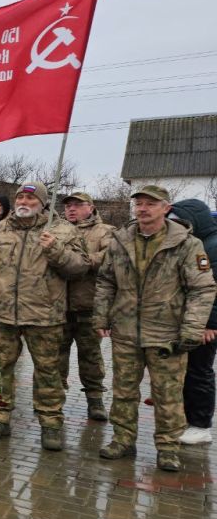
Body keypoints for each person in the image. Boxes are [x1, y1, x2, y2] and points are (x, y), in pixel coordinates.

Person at [95, 186, 217, 471]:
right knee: (123, 391)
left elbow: (202, 289)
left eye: (150, 204)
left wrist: (192, 327)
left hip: (167, 335)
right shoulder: (120, 240)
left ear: (166, 208)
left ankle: (167, 447)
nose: (142, 209)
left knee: (167, 395)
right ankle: (123, 439)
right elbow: (106, 281)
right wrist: (101, 317)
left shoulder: (187, 245)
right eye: (138, 203)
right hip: (126, 332)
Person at [0, 182, 90, 450]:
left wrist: (56, 250)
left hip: (44, 316)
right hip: (3, 315)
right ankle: (0, 417)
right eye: (20, 197)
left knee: (48, 372)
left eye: (31, 197)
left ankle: (51, 424)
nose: (24, 201)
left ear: (43, 202)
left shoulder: (61, 231)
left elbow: (80, 268)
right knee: (0, 369)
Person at [59, 192, 115, 420]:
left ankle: (95, 400)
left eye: (77, 205)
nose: (71, 209)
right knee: (56, 357)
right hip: (59, 306)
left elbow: (110, 256)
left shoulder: (105, 231)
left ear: (90, 208)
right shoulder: (58, 230)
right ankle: (53, 399)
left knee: (90, 356)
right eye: (68, 206)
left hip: (88, 306)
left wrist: (83, 262)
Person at [169, 199, 217, 445]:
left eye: (179, 220)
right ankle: (188, 417)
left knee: (200, 372)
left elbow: (211, 290)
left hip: (203, 325)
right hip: (190, 320)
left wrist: (210, 324)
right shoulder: (194, 243)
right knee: (188, 371)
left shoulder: (212, 246)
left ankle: (200, 425)